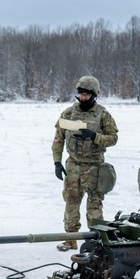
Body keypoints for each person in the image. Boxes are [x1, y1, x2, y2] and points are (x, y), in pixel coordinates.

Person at [51, 75, 119, 251]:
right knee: (71, 202)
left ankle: (97, 240)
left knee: (94, 204)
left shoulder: (103, 115)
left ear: (94, 95)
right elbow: (58, 139)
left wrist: (94, 136)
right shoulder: (68, 114)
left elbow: (113, 138)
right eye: (81, 93)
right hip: (73, 165)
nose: (83, 97)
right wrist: (57, 162)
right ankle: (70, 239)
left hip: (94, 166)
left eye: (87, 94)